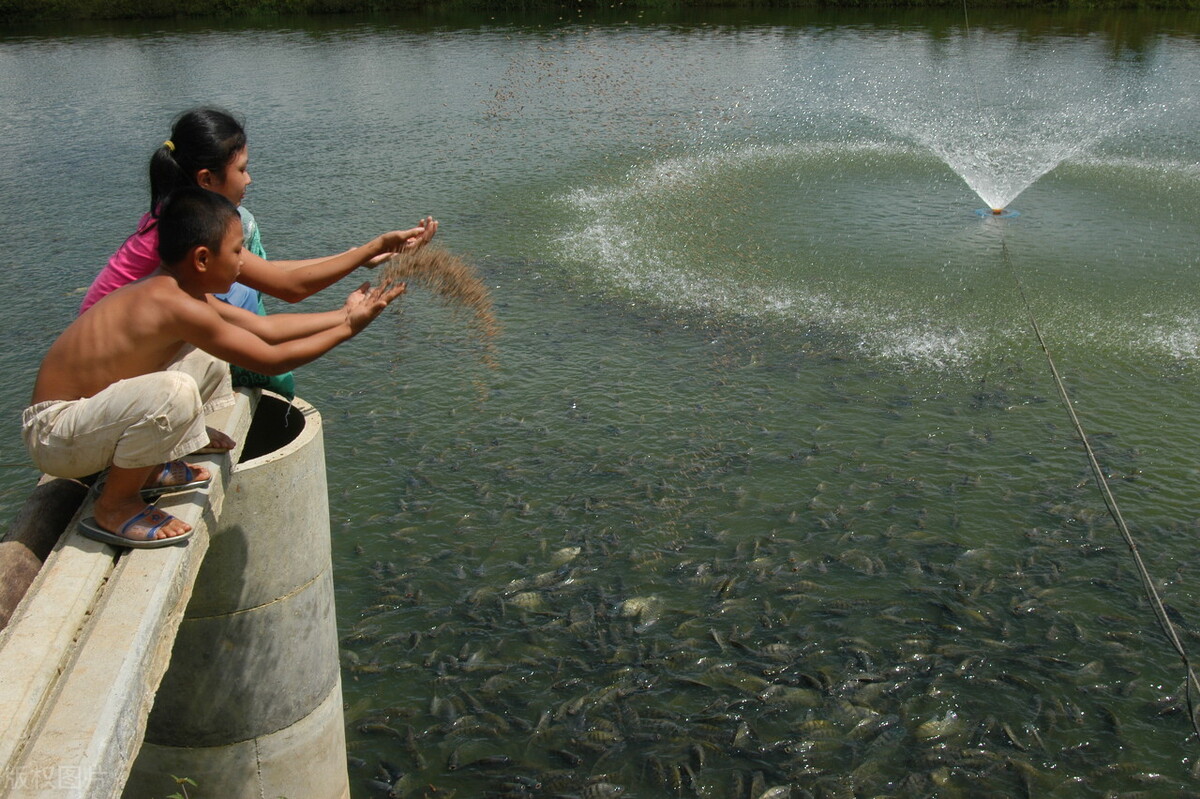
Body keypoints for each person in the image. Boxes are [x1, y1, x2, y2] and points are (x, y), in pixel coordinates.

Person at [25, 187, 409, 549]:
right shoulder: (175, 304)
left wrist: (342, 313)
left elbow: (263, 329)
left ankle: (152, 462)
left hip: (90, 417)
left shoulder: (179, 290)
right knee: (175, 391)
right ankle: (115, 505)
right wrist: (347, 328)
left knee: (207, 359)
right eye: (238, 250)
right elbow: (271, 357)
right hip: (56, 433)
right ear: (203, 258)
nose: (244, 261)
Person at [80, 106, 436, 396]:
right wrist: (370, 254)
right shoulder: (183, 240)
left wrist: (361, 259)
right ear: (206, 180)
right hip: (107, 372)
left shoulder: (180, 221)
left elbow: (265, 281)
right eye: (242, 169)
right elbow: (287, 288)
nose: (249, 179)